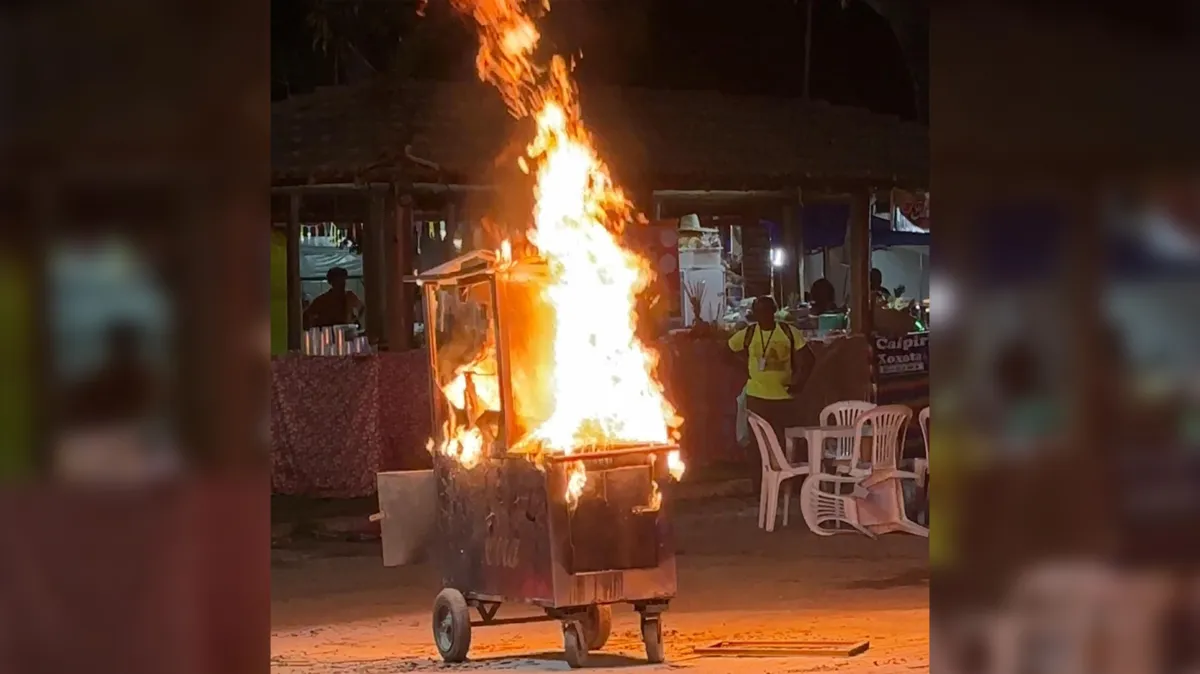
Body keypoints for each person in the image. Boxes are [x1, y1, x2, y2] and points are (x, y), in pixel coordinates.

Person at [728, 296, 815, 490]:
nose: (763, 315)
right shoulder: (748, 333)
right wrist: (745, 368)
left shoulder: (788, 332)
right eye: (759, 311)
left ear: (773, 312)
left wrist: (799, 384)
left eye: (767, 311)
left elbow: (808, 359)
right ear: (755, 314)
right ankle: (760, 488)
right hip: (756, 398)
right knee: (757, 446)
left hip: (784, 399)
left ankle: (787, 485)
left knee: (787, 444)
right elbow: (727, 350)